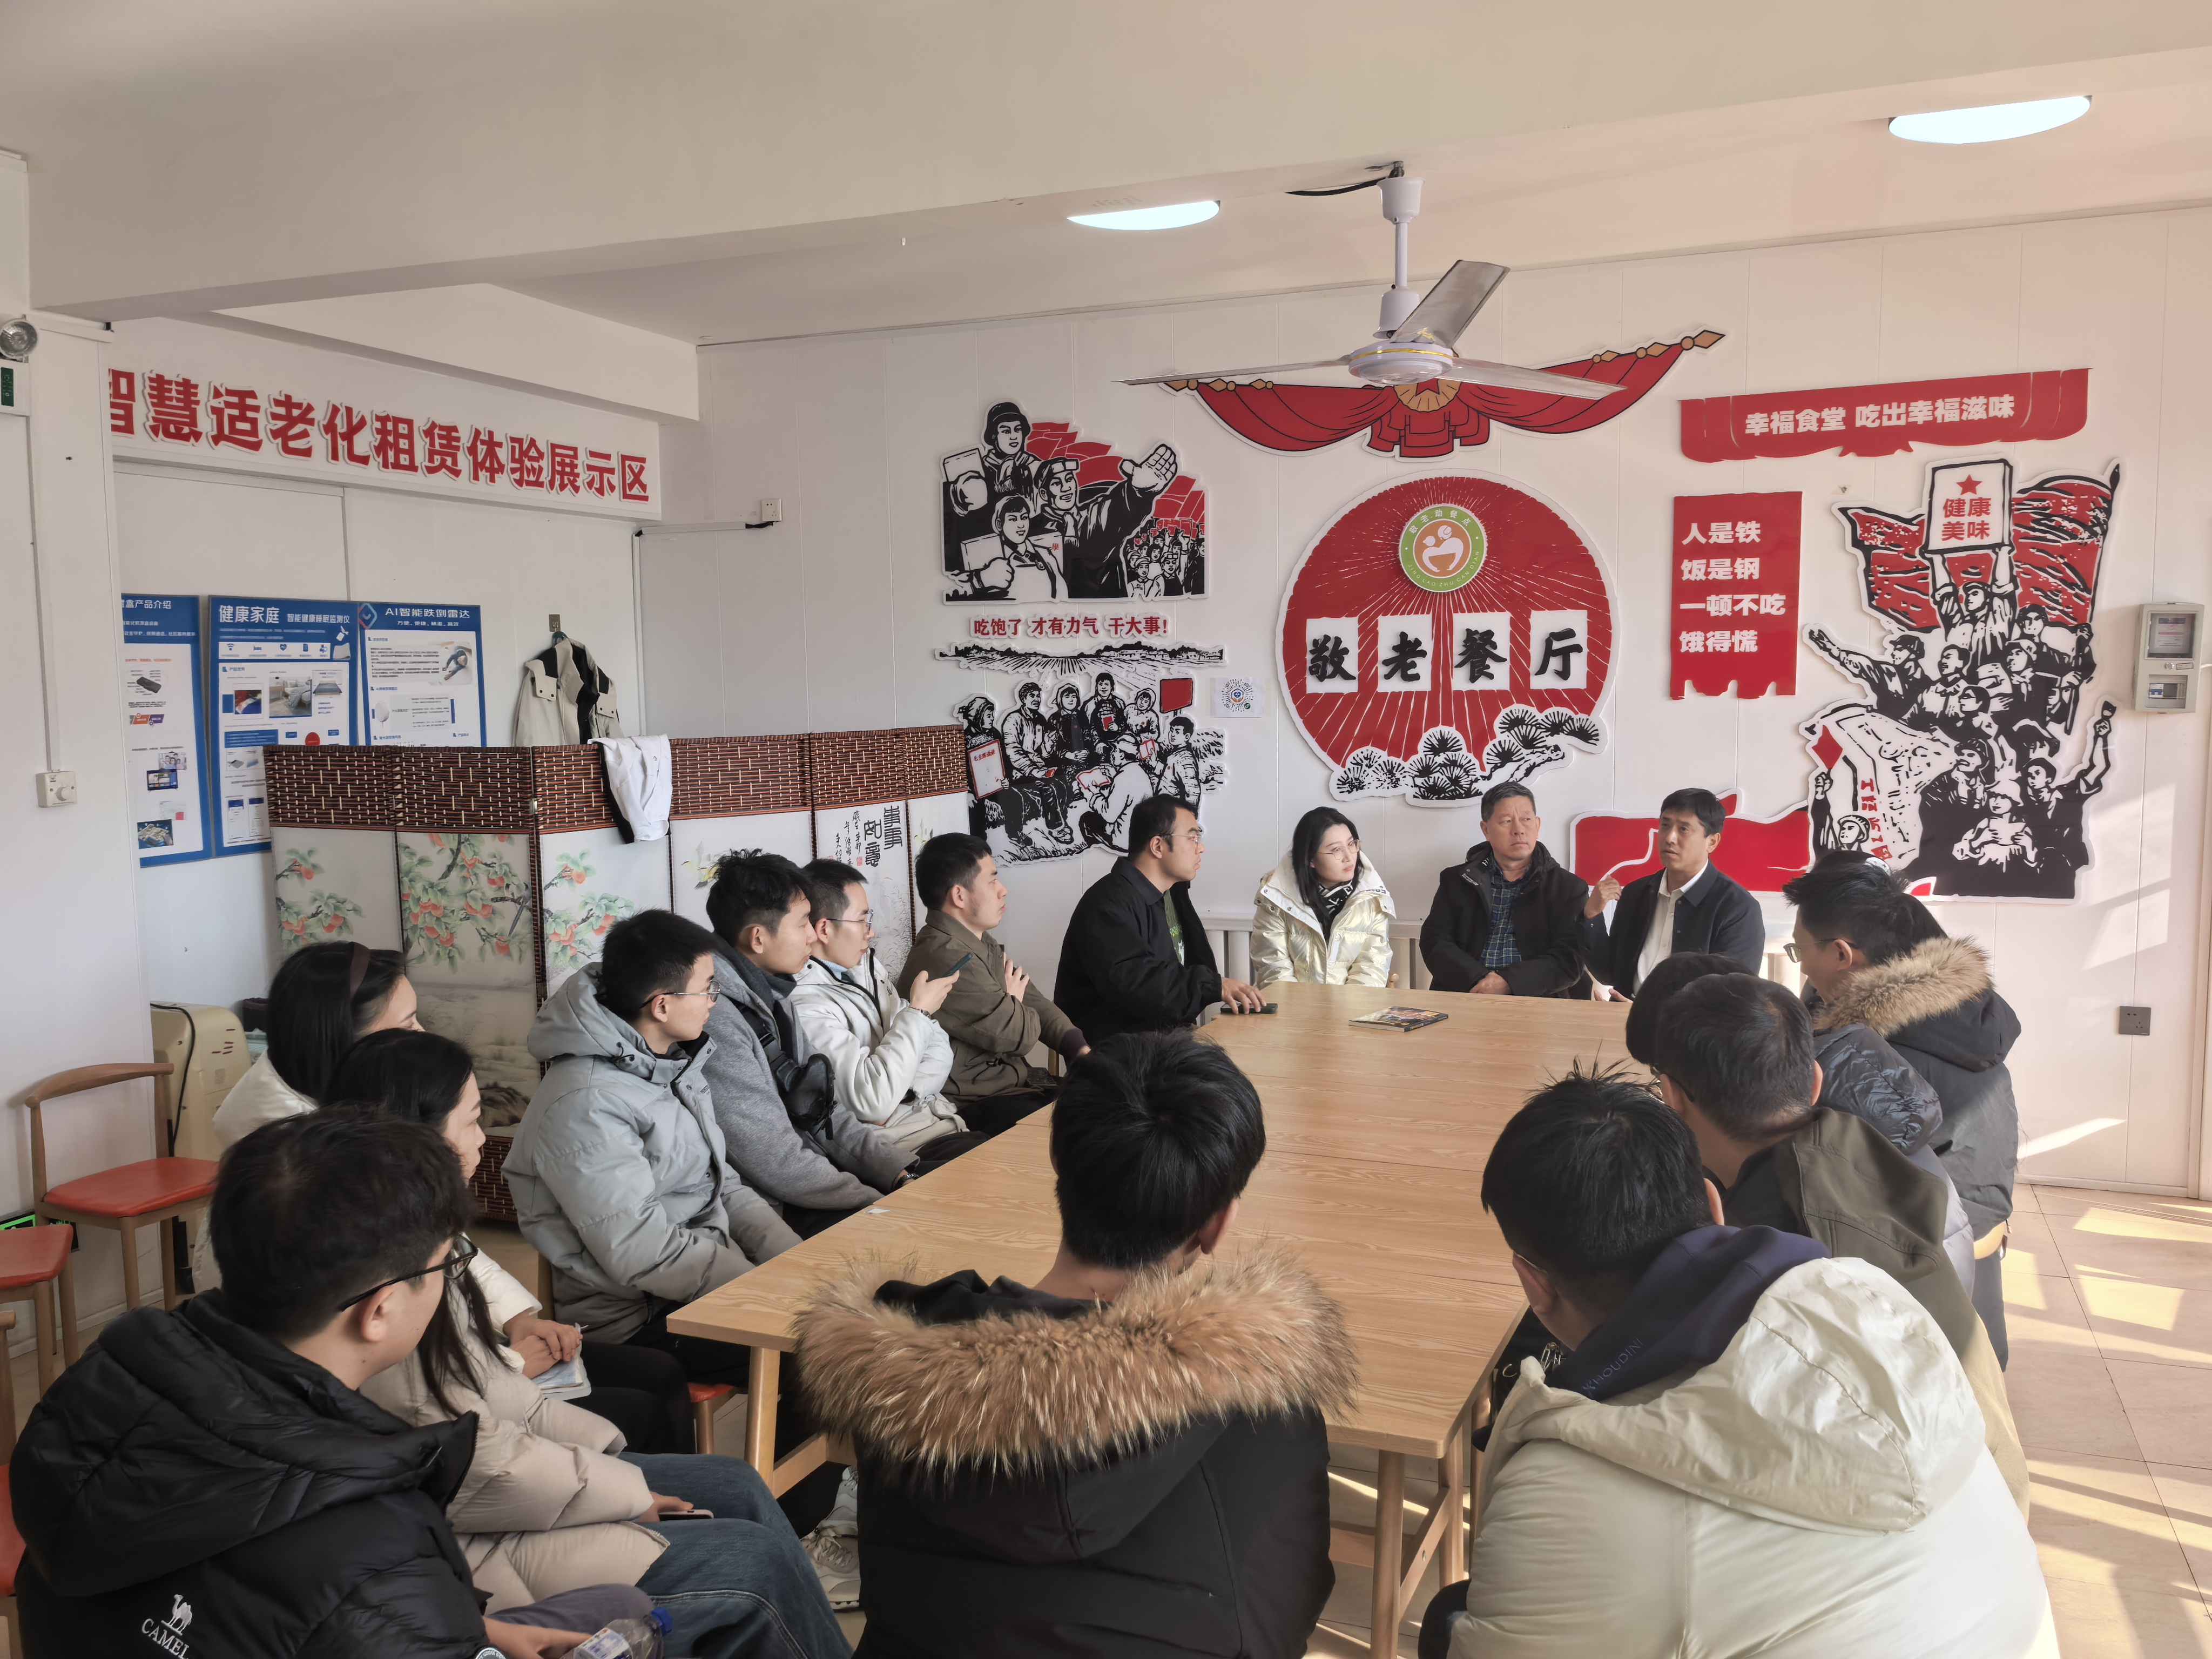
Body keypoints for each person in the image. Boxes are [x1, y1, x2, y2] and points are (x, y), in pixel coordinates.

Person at [1421, 1076, 2053, 1659]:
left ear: (1533, 1284)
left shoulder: (1566, 1492)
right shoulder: (1866, 1298)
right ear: (1712, 1203)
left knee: (1447, 1620)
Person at [12, 1110, 654, 1658]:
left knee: (618, 1602)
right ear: (379, 1310)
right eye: (448, 1264)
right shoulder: (378, 1547)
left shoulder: (87, 1402)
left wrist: (474, 1631)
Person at [793, 1031, 1354, 1658]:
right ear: (1217, 1224)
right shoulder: (1258, 1400)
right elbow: (1282, 1619)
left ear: (1058, 1163)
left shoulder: (896, 1373)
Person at [332, 1106, 851, 1654]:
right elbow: (486, 1468)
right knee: (751, 1558)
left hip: (500, 1507)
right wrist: (624, 1495)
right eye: (472, 1118)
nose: (486, 1137)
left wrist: (614, 1479)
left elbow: (513, 1408)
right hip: (488, 1543)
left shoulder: (417, 1275)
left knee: (735, 1481)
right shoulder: (403, 1328)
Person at [1648, 973, 2026, 1508]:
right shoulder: (1880, 1156)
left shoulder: (1763, 1255)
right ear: (1814, 1082)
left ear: (1670, 1096)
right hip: (1992, 1488)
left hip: (1915, 1509)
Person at [329, 1029, 695, 1458]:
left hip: (488, 1366)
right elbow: (425, 1389)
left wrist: (519, 1321)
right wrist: (513, 1364)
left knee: (661, 1373)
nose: (483, 1138)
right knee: (638, 1413)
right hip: (472, 1400)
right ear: (417, 1132)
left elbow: (470, 1264)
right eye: (472, 1122)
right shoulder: (378, 1239)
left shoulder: (410, 1201)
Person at [505, 909, 776, 1389]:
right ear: (662, 1006)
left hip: (701, 1280)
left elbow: (724, 1185)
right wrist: (763, 1288)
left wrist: (796, 1263)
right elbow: (640, 1251)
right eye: (708, 988)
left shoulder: (667, 1063)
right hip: (638, 1319)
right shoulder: (587, 1103)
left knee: (851, 1311)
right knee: (825, 1350)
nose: (715, 1001)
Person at [1782, 852, 2022, 1364]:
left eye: (1800, 950)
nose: (1800, 965)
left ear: (1843, 954)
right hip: (1981, 1207)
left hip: (1931, 1237)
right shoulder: (1963, 1009)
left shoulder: (1864, 1051)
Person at [703, 852, 916, 1246]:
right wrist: (874, 1201)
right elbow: (772, 1158)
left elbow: (825, 1109)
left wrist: (900, 1174)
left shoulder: (772, 992)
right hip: (773, 1210)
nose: (812, 936)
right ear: (758, 938)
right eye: (803, 923)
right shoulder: (714, 1017)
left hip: (817, 1180)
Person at [901, 832, 1089, 1134]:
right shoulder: (947, 958)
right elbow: (1019, 1035)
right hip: (974, 1103)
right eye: (992, 881)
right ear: (959, 896)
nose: (1003, 890)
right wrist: (1013, 1001)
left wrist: (1076, 1046)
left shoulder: (973, 939)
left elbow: (1029, 996)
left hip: (1012, 1085)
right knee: (1087, 1125)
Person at [789, 857, 972, 1156]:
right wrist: (919, 1013)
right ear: (824, 929)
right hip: (897, 1150)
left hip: (937, 1121)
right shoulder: (806, 1004)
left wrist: (905, 1092)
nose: (870, 931)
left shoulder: (868, 968)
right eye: (862, 920)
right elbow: (873, 1101)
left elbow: (940, 1047)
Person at [1055, 795, 1266, 1040]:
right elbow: (1136, 982)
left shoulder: (1172, 894)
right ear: (1158, 846)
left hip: (1165, 1037)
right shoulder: (1107, 904)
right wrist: (1212, 985)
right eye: (1192, 838)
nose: (1201, 848)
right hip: (1118, 1049)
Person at [212, 940, 422, 1150]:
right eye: (408, 1026)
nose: (422, 1034)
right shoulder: (298, 1141)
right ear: (343, 1039)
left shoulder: (300, 1060)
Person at [1579, 787, 1765, 996]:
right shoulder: (1635, 894)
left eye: (1684, 829)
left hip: (1686, 1019)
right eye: (1665, 826)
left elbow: (1733, 997)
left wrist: (1646, 1011)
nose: (1669, 838)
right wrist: (1592, 916)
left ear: (1712, 842)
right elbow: (1609, 974)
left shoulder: (1738, 908)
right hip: (1623, 1015)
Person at [1420, 783, 1588, 996]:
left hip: (1537, 999)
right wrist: (1480, 980)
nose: (1519, 830)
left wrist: (1511, 983)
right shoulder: (1457, 881)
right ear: (1486, 830)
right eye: (1506, 821)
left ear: (1537, 826)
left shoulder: (1569, 888)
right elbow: (1435, 942)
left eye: (1526, 820)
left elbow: (1569, 957)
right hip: (1466, 992)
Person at [1251, 806, 1396, 988]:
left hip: (1353, 1004)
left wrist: (1349, 1005)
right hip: (1291, 1004)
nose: (1349, 857)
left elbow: (1372, 968)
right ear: (1309, 859)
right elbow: (1274, 968)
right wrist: (1306, 1006)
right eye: (1336, 850)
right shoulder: (1276, 896)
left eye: (1352, 844)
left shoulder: (1372, 896)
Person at [2020, 703, 2114, 897]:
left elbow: (2098, 768)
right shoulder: (2028, 808)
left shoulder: (2071, 793)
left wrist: (2100, 737)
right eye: (2029, 775)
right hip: (2041, 868)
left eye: (2037, 773)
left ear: (2049, 778)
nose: (2032, 778)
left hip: (2073, 863)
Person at [1807, 628, 1930, 722]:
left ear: (1914, 654)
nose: (1893, 653)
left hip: (1908, 735)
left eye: (1900, 649)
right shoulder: (1887, 671)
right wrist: (1831, 648)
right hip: (1879, 723)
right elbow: (1863, 663)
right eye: (1894, 649)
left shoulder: (1927, 684)